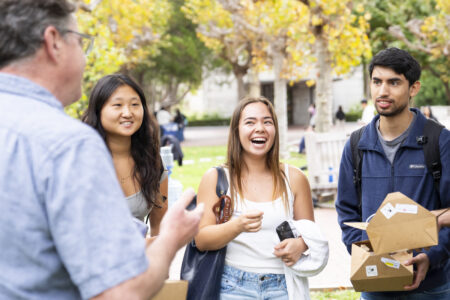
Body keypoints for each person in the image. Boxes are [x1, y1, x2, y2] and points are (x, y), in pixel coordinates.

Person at [0, 1, 203, 299]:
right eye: (82, 42)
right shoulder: (68, 145)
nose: (84, 58)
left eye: (135, 105)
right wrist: (172, 237)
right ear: (54, 41)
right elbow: (118, 293)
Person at [336, 48, 449, 299]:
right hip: (376, 286)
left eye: (394, 82)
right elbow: (346, 211)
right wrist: (365, 255)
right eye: (377, 82)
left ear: (414, 88)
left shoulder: (439, 141)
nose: (383, 91)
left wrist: (432, 256)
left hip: (431, 286)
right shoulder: (356, 144)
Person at [195, 96, 328, 299]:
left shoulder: (295, 179)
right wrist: (237, 225)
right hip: (231, 287)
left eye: (267, 122)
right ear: (236, 130)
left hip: (284, 287)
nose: (260, 128)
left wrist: (299, 245)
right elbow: (201, 239)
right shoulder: (215, 178)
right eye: (250, 122)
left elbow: (309, 234)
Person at [82, 74, 168, 238]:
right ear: (98, 110)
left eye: (135, 104)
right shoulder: (81, 159)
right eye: (117, 105)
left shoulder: (151, 158)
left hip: (140, 260)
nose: (127, 113)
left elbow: (159, 226)